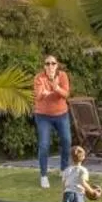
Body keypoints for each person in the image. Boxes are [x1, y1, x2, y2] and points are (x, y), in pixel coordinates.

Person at [31, 54, 73, 189]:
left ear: (57, 65)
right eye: (47, 64)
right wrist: (48, 93)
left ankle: (64, 170)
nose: (50, 66)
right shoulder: (39, 78)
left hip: (61, 114)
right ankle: (43, 175)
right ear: (44, 66)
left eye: (53, 63)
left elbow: (66, 94)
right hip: (43, 116)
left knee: (67, 141)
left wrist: (56, 89)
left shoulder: (63, 76)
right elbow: (38, 96)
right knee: (44, 145)